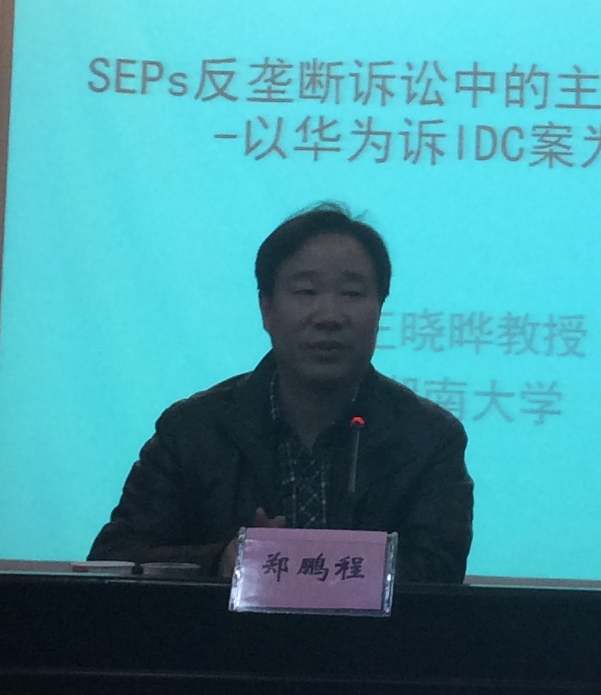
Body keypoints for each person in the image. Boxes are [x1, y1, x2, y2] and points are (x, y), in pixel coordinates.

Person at [90, 205, 474, 582]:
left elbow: (438, 571)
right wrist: (223, 561)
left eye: (352, 293)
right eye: (306, 291)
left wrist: (299, 567)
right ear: (266, 309)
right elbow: (116, 556)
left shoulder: (429, 438)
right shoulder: (193, 430)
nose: (329, 316)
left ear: (379, 310)